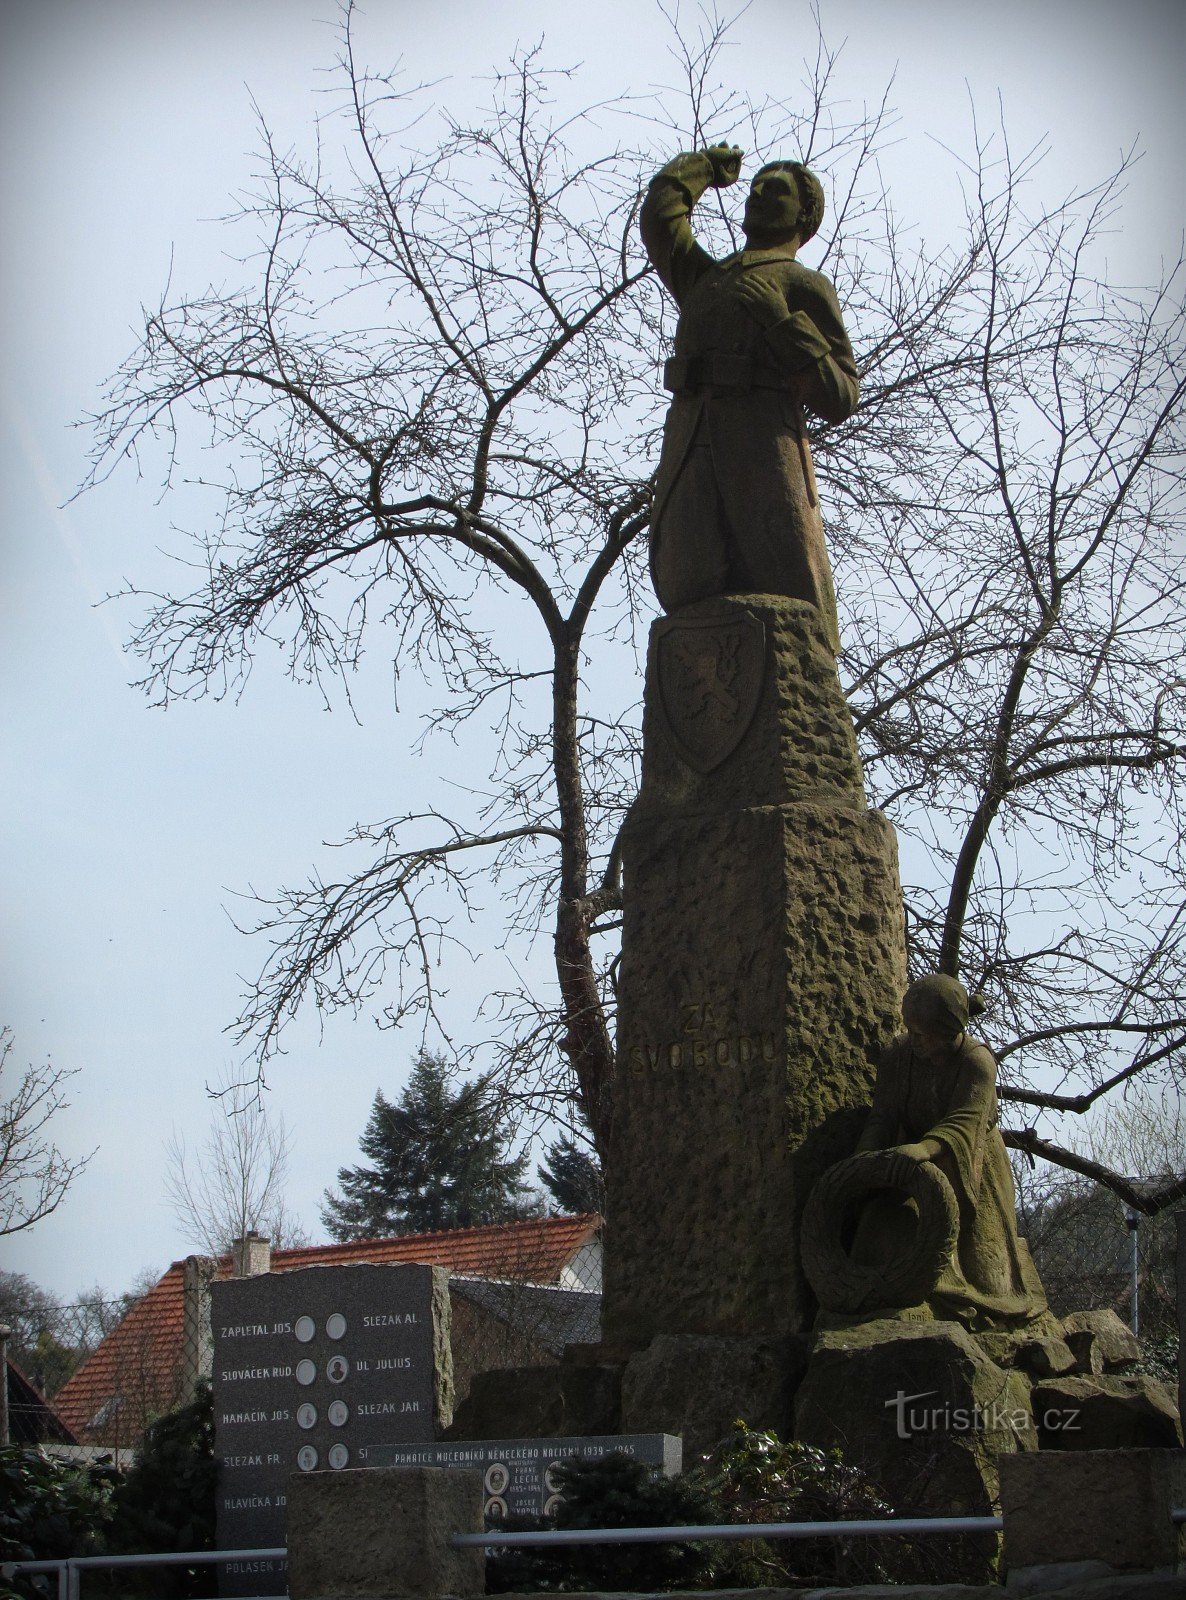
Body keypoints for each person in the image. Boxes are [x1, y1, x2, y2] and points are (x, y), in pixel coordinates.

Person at [640, 144, 859, 650]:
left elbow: (841, 395)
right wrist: (701, 171)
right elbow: (660, 222)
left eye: (775, 190)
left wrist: (782, 325)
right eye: (756, 186)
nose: (758, 194)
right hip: (691, 445)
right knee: (687, 582)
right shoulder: (707, 280)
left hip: (760, 454)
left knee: (783, 595)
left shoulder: (803, 283)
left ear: (805, 214)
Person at [854, 974, 1050, 1330]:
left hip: (971, 1164)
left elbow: (964, 1123)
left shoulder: (977, 1062)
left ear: (949, 1032)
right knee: (883, 1231)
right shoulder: (898, 1056)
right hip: (908, 1165)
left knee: (992, 1280)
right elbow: (882, 1116)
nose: (914, 1041)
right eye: (910, 1030)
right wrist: (865, 1161)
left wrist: (924, 1149)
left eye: (923, 1034)